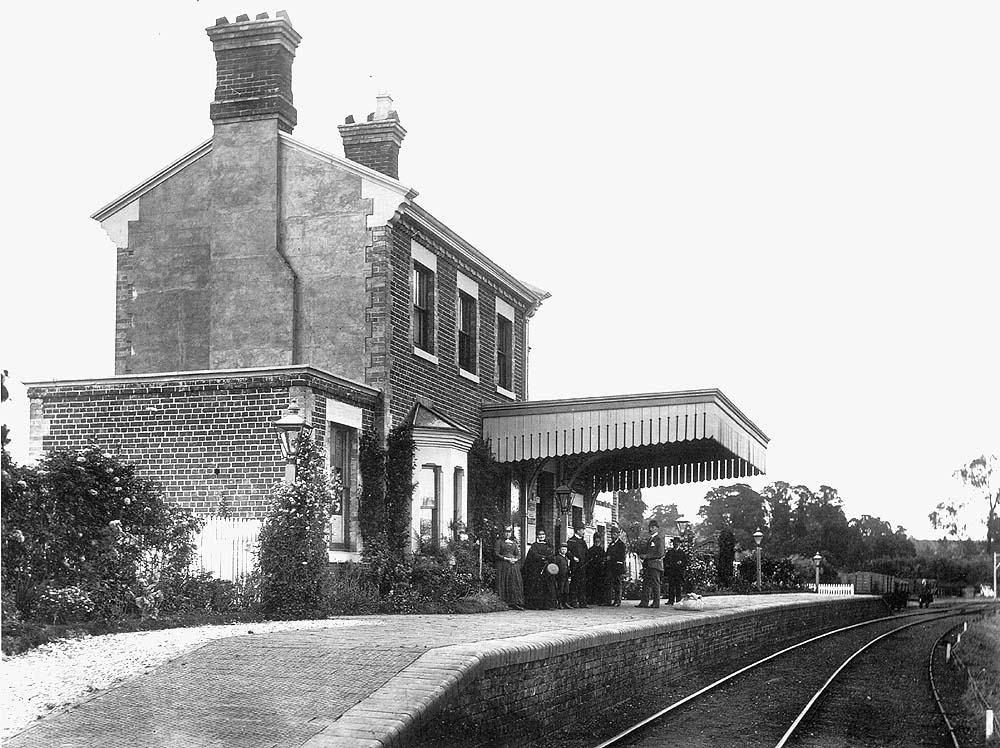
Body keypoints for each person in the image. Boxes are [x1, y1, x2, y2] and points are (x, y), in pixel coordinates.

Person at [522, 529, 555, 609]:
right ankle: (536, 605)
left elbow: (552, 555)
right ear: (537, 536)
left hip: (546, 569)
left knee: (547, 586)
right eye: (539, 535)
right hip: (536, 569)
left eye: (543, 535)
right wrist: (542, 558)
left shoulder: (549, 545)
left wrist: (547, 559)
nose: (541, 536)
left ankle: (546, 605)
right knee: (537, 587)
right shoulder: (534, 546)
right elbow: (532, 555)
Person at [636, 519, 665, 608]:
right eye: (650, 527)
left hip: (655, 565)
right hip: (649, 565)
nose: (651, 529)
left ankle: (656, 603)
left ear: (657, 529)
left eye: (653, 527)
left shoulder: (658, 539)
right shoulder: (650, 539)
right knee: (646, 583)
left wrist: (646, 556)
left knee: (655, 584)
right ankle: (644, 602)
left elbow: (660, 553)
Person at [494, 527, 525, 610]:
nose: (507, 534)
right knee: (503, 582)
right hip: (503, 565)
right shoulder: (499, 542)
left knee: (514, 583)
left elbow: (518, 554)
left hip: (513, 566)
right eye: (506, 532)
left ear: (511, 533)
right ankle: (504, 603)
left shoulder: (514, 543)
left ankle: (515, 602)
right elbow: (496, 553)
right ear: (503, 533)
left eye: (509, 532)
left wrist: (515, 559)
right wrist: (505, 558)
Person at [566, 522, 589, 608]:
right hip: (575, 566)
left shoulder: (583, 542)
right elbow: (566, 552)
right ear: (578, 530)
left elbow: (586, 553)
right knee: (574, 583)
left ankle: (583, 602)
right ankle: (573, 602)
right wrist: (573, 558)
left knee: (582, 584)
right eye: (583, 530)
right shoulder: (571, 541)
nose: (584, 532)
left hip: (583, 565)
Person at [605, 523, 627, 607]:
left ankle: (618, 600)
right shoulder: (611, 544)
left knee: (617, 584)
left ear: (618, 534)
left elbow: (621, 556)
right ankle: (609, 600)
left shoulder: (621, 544)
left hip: (617, 567)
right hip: (610, 567)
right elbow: (608, 553)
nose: (612, 535)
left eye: (614, 534)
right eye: (611, 534)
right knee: (610, 583)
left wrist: (611, 557)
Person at [586, 528, 607, 605]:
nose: (597, 542)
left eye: (598, 541)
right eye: (596, 541)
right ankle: (591, 599)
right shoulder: (590, 550)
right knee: (592, 585)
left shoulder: (602, 551)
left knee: (600, 585)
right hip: (592, 571)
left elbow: (604, 560)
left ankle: (599, 599)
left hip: (600, 571)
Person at [664, 536, 684, 605]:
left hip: (678, 572)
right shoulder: (670, 552)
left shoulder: (682, 553)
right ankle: (671, 600)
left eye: (677, 542)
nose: (675, 544)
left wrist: (681, 563)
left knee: (678, 586)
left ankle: (678, 600)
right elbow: (665, 560)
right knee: (671, 586)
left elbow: (685, 562)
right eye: (674, 542)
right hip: (671, 571)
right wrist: (667, 566)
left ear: (679, 544)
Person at [554, 543, 571, 609]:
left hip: (566, 575)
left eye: (565, 549)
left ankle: (565, 603)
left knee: (566, 590)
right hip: (560, 576)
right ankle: (560, 603)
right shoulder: (557, 558)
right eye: (562, 549)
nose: (564, 551)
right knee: (560, 589)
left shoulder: (566, 558)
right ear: (559, 550)